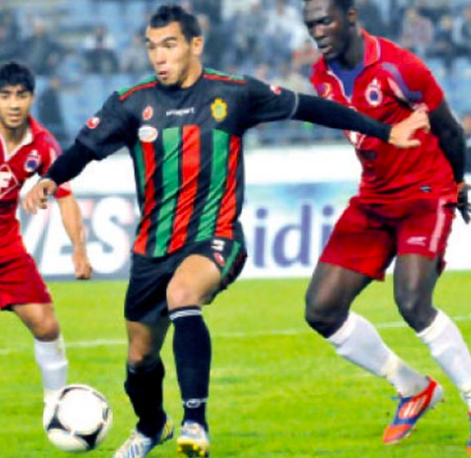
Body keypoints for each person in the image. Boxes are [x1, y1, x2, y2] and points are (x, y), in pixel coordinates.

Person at [22, 5, 428, 458]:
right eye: (152, 48)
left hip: (216, 237)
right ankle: (152, 427)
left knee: (183, 296)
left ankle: (195, 423)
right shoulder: (131, 103)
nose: (159, 57)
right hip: (152, 248)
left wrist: (385, 131)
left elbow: (311, 107)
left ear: (195, 45)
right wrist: (51, 178)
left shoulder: (233, 94)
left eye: (169, 45)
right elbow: (83, 149)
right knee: (139, 359)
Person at [302, 0, 471, 450]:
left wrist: (459, 185)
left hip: (425, 194)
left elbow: (449, 129)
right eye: (311, 24)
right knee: (321, 310)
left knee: (412, 301)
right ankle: (412, 387)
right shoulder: (320, 76)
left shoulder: (400, 67)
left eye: (325, 20)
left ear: (350, 16)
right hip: (374, 199)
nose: (317, 31)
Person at [0, 62, 92, 413]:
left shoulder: (42, 145)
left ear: (32, 98)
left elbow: (64, 196)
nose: (13, 104)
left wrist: (79, 250)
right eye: (5, 96)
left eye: (21, 96)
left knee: (46, 324)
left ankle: (57, 409)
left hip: (6, 249)